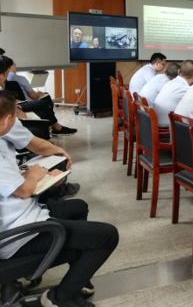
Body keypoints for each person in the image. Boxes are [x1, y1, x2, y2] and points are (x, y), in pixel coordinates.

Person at [0, 91, 119, 307]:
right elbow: (23, 191)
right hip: (19, 233)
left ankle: (77, 278)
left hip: (22, 216)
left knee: (78, 208)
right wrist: (33, 176)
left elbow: (10, 181)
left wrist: (43, 177)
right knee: (107, 236)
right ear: (8, 119)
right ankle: (61, 297)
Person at [3, 57, 77, 136]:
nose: (16, 66)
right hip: (20, 103)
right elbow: (33, 96)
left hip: (15, 102)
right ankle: (55, 126)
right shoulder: (19, 78)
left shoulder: (6, 79)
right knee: (45, 99)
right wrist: (39, 94)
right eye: (15, 64)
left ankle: (51, 126)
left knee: (43, 107)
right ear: (10, 66)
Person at [154, 60, 193, 128]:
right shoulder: (186, 89)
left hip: (157, 120)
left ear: (178, 71)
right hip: (167, 125)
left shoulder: (169, 83)